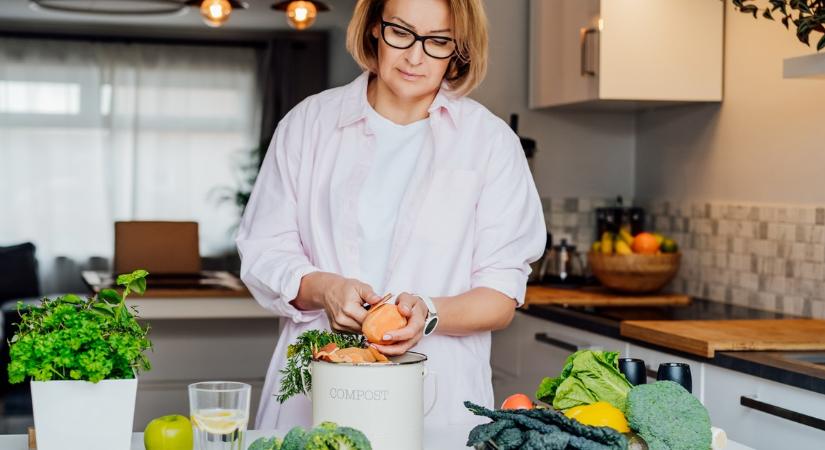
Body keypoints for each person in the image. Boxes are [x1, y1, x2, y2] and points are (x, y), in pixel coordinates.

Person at [236, 0, 545, 430]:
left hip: (438, 403)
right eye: (401, 32)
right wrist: (325, 288)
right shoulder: (309, 124)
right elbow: (264, 251)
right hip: (312, 390)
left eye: (437, 41)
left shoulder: (490, 144)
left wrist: (430, 312)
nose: (415, 56)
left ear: (459, 49)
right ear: (374, 29)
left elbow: (500, 293)